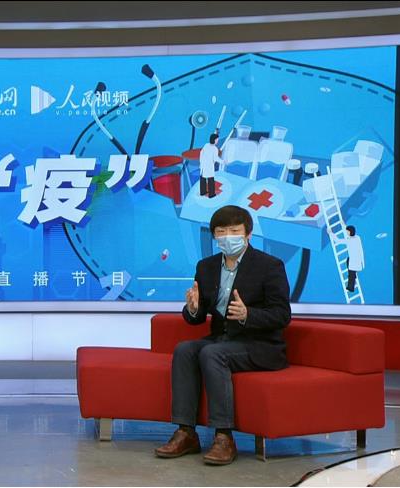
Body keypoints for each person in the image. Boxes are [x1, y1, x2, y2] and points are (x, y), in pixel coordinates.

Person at [154, 205, 291, 465]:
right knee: (185, 349)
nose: (228, 237)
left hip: (259, 344)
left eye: (234, 231)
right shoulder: (206, 267)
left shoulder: (269, 266)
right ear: (215, 236)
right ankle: (185, 432)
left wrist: (248, 314)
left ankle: (224, 436)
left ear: (248, 234)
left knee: (212, 353)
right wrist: (193, 308)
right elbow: (196, 317)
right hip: (222, 340)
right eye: (221, 231)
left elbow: (282, 315)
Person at [199, 133, 225, 198]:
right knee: (211, 180)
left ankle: (202, 192)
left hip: (203, 165)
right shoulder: (215, 149)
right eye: (217, 140)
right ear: (214, 140)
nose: (217, 141)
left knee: (203, 179)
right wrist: (222, 161)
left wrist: (201, 162)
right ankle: (211, 194)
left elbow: (201, 153)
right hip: (209, 166)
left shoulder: (206, 145)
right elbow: (215, 158)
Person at [343, 225, 364, 292]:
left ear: (350, 232)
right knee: (351, 271)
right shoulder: (357, 238)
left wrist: (330, 233)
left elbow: (338, 240)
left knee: (351, 274)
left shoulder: (350, 240)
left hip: (354, 260)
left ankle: (351, 287)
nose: (346, 232)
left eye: (347, 231)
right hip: (355, 259)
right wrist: (343, 225)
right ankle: (353, 280)